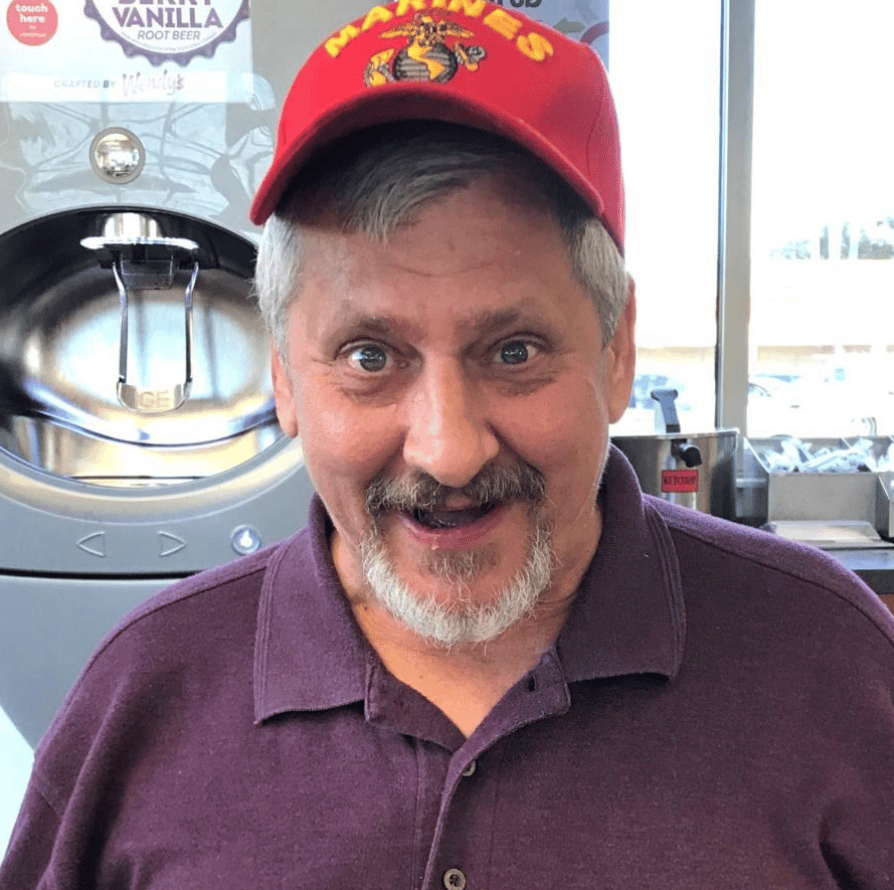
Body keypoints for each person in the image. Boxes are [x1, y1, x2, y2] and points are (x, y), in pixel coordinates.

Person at [3, 2, 894, 887]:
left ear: (617, 350)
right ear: (285, 378)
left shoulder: (830, 660)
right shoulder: (143, 695)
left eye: (514, 352)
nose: (448, 451)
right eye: (369, 357)